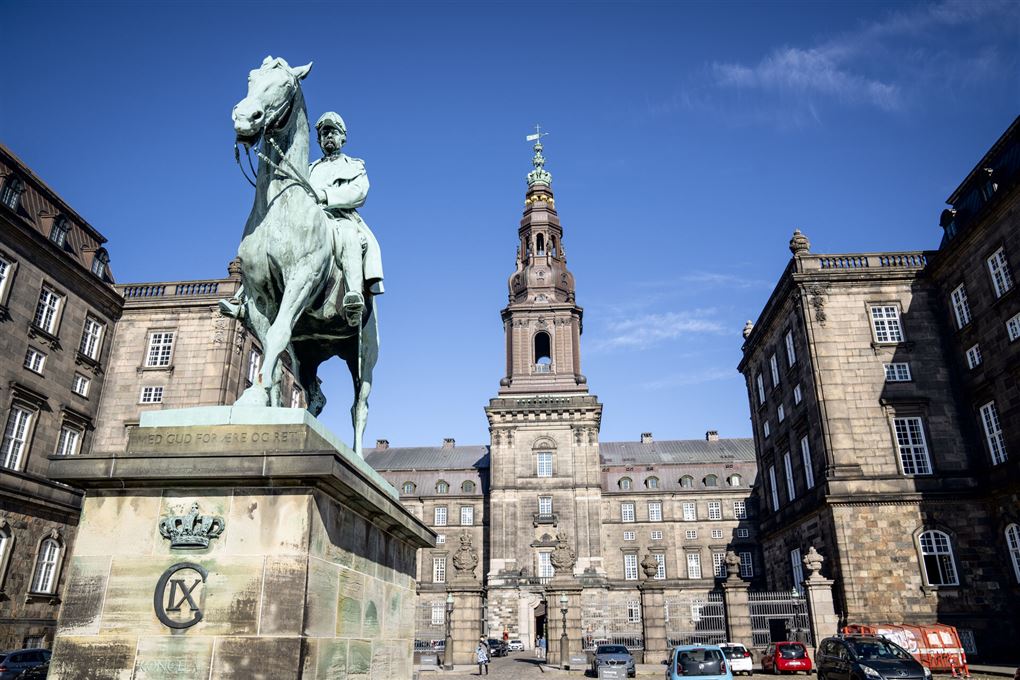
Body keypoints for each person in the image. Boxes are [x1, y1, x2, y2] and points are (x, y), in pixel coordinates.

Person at [308, 112, 384, 326]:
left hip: (339, 219)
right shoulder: (309, 168)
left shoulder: (354, 165)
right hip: (310, 219)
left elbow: (358, 193)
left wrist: (326, 196)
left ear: (343, 137)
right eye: (324, 132)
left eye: (333, 131)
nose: (328, 135)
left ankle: (353, 296)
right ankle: (247, 296)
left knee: (350, 236)